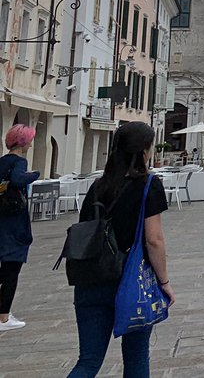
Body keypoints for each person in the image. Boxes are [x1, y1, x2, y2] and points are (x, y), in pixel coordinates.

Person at [67, 121, 174, 377]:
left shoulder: (98, 186)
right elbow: (154, 240)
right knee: (136, 357)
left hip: (91, 280)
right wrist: (164, 282)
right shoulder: (148, 184)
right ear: (144, 150)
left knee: (88, 361)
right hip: (130, 281)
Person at [0, 125, 38, 331]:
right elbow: (17, 179)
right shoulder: (19, 161)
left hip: (2, 220)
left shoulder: (2, 161)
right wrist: (34, 174)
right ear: (23, 142)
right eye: (29, 140)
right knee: (11, 270)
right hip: (14, 222)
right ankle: (4, 317)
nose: (31, 144)